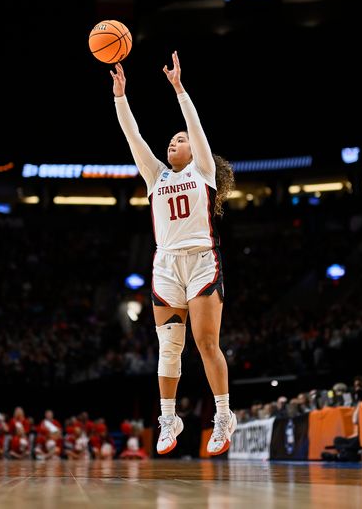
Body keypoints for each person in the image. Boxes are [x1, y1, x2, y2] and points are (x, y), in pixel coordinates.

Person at [110, 51, 237, 456]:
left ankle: (222, 415)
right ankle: (169, 418)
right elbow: (134, 138)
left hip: (201, 259)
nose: (174, 141)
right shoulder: (155, 175)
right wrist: (120, 97)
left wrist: (179, 89)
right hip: (165, 264)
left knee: (205, 342)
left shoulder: (202, 171)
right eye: (173, 138)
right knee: (169, 347)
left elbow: (197, 128)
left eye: (180, 139)